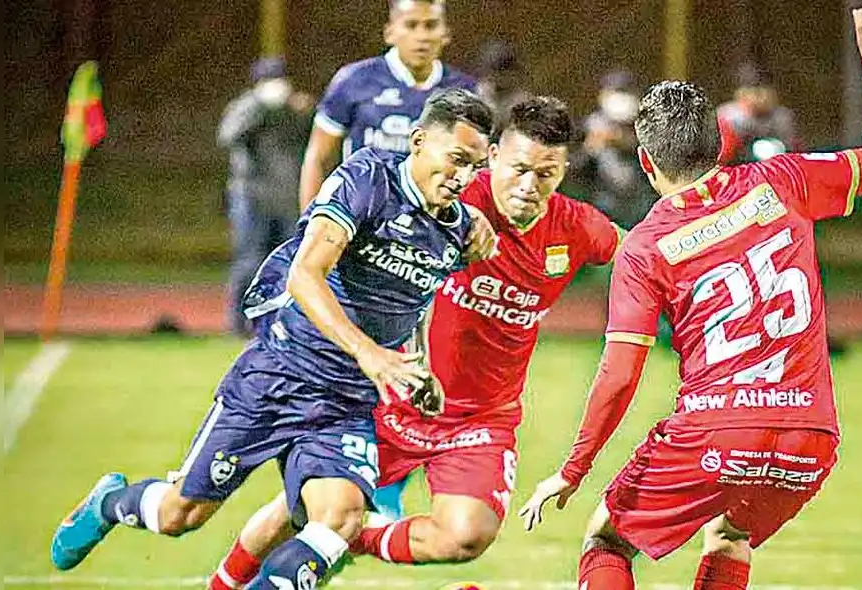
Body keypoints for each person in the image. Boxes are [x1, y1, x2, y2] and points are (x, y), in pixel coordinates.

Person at [519, 6, 862, 589]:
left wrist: (573, 471)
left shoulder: (647, 245)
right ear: (721, 142)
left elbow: (621, 373)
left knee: (607, 539)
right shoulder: (784, 181)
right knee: (731, 534)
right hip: (811, 435)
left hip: (714, 432)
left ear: (648, 163)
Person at [49, 89, 497, 590]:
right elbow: (305, 276)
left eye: (475, 167)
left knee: (340, 521)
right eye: (456, 159)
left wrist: (419, 363)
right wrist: (370, 352)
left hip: (347, 402)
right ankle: (110, 503)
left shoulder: (458, 230)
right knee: (182, 514)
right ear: (418, 141)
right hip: (279, 376)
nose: (462, 178)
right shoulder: (368, 179)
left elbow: (415, 297)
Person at [205, 97, 625, 590]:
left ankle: (350, 535)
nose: (529, 186)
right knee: (296, 512)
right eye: (519, 169)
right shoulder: (452, 199)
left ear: (564, 171)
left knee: (468, 536)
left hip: (481, 418)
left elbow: (642, 252)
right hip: (395, 393)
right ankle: (226, 582)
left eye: (546, 173)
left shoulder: (577, 227)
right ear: (491, 158)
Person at [299, 0, 476, 211]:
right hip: (363, 217)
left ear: (445, 33)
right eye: (411, 25)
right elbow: (319, 158)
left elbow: (475, 167)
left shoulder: (465, 91)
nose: (422, 36)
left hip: (432, 223)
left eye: (431, 25)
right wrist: (309, 224)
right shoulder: (354, 81)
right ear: (389, 33)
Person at [218, 56, 315, 336]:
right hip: (251, 197)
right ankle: (239, 325)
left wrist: (304, 110)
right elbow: (228, 136)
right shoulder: (246, 107)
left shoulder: (294, 110)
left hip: (287, 198)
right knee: (249, 261)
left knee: (288, 262)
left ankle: (282, 323)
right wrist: (258, 106)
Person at [564, 69, 655, 230]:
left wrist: (628, 143)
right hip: (605, 210)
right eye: (615, 91)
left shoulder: (647, 125)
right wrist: (590, 149)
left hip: (641, 212)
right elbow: (574, 170)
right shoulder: (591, 126)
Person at [717, 61, 802, 165]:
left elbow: (794, 152)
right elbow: (723, 155)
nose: (759, 98)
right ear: (739, 95)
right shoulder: (728, 117)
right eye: (752, 92)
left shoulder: (782, 117)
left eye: (763, 92)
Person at [473, 39, 531, 130]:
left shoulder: (521, 101)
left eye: (500, 73)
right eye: (491, 73)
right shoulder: (479, 91)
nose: (494, 78)